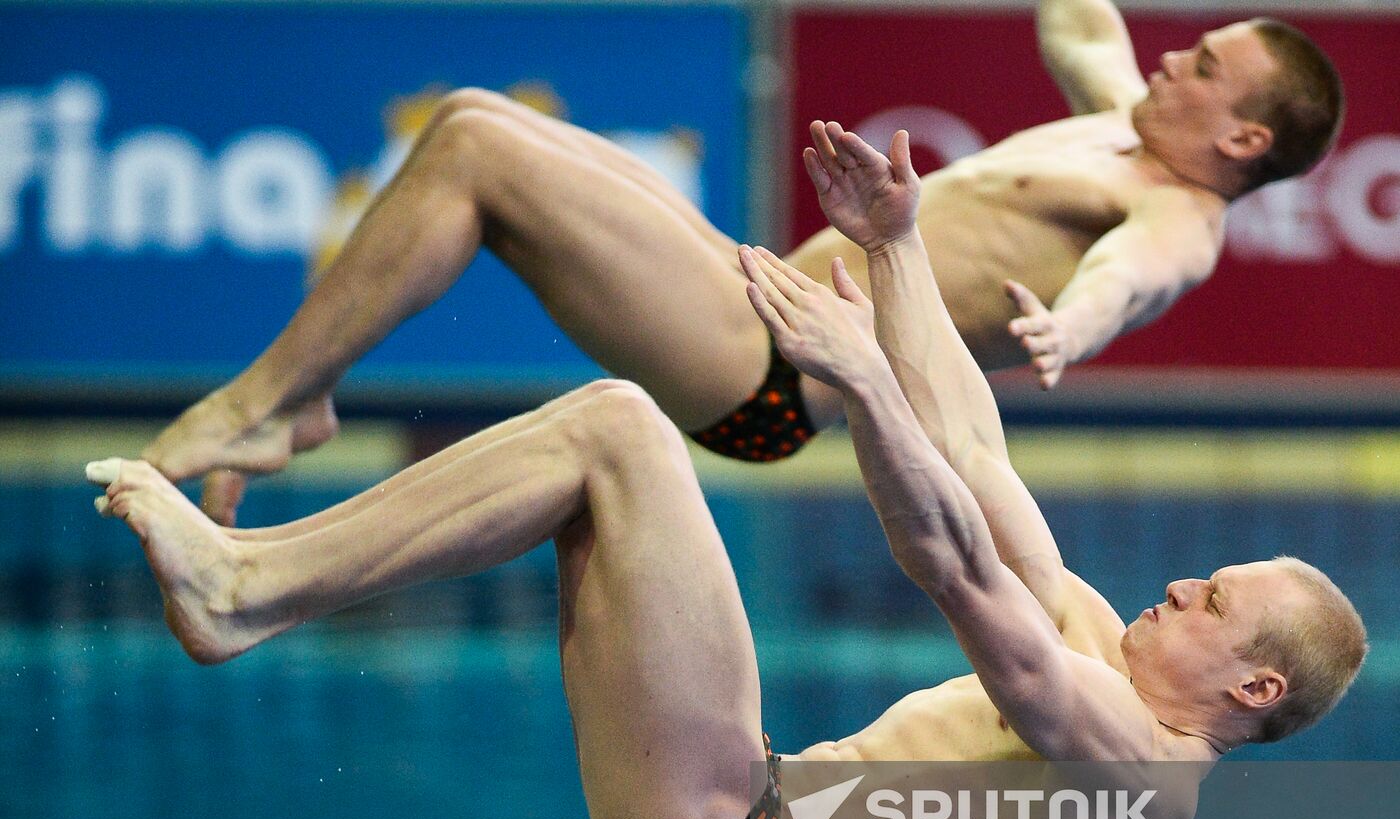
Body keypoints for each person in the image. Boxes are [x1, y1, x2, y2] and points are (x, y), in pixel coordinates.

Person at [88, 127, 1366, 819]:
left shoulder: (1134, 772)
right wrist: (895, 249)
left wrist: (860, 379)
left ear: (1253, 687)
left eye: (1206, 599)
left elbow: (957, 570)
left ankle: (246, 589)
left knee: (621, 432)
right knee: (603, 450)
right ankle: (251, 587)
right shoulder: (1104, 654)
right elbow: (975, 462)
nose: (1175, 587)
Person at [139, 0, 1344, 524]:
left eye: (1203, 67)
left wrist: (1068, 330)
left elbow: (1135, 275)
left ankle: (260, 402)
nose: (1173, 56)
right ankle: (293, 402)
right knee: (469, 124)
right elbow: (1080, 24)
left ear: (1241, 138)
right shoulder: (1121, 118)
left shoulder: (1182, 211)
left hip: (768, 374)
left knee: (469, 152)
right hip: (750, 294)